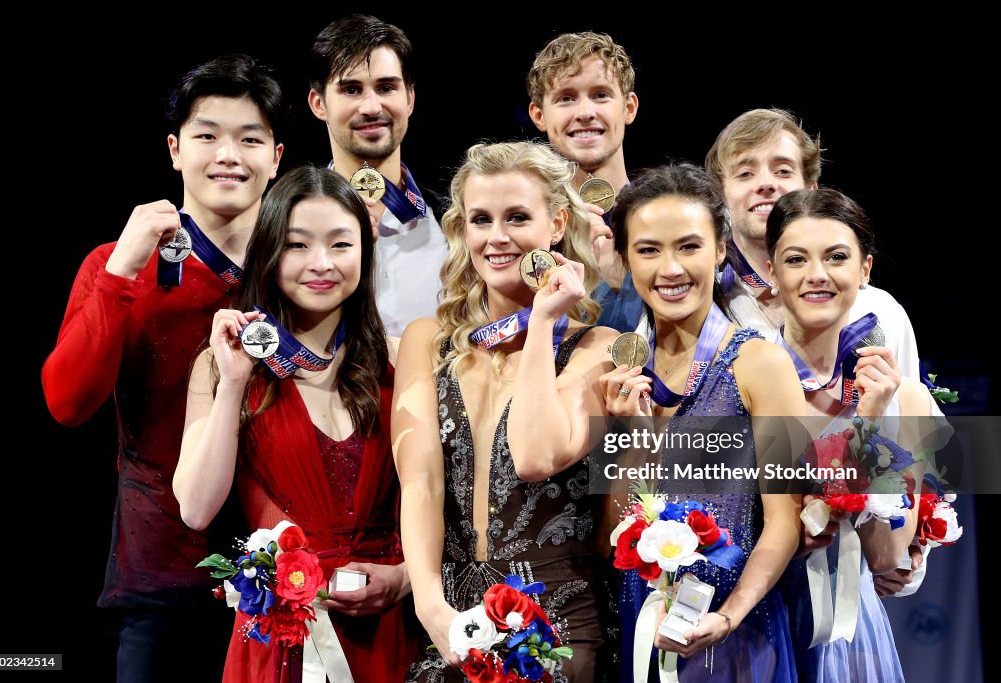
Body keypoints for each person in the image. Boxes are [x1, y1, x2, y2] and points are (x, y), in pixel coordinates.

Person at [42, 54, 285, 682]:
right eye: (208, 135)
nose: (228, 154)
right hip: (159, 574)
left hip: (288, 569)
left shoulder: (304, 271)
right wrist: (120, 273)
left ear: (277, 158)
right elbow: (68, 404)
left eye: (250, 139)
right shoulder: (116, 263)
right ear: (175, 150)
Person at [174, 165, 417, 682]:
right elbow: (195, 509)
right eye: (298, 245)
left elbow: (442, 500)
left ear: (365, 254)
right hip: (281, 637)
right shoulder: (220, 366)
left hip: (390, 630)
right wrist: (235, 382)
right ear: (267, 253)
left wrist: (405, 578)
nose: (322, 264)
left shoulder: (401, 362)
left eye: (341, 245)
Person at [394, 141, 617, 682]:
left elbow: (537, 456)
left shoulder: (598, 348)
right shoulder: (429, 341)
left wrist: (541, 324)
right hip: (450, 617)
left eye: (517, 217)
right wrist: (428, 603)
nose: (497, 237)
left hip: (557, 623)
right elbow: (420, 482)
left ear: (557, 224)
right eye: (480, 219)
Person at [600, 163, 805, 682]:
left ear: (720, 250)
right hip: (641, 625)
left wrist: (729, 616)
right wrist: (634, 438)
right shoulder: (617, 369)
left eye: (688, 247)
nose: (670, 269)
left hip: (737, 631)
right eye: (648, 250)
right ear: (624, 259)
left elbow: (786, 520)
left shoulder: (761, 363)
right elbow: (611, 531)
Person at [765, 188, 935, 682]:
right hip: (757, 619)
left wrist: (871, 421)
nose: (816, 275)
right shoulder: (742, 382)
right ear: (772, 274)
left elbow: (885, 555)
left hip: (850, 636)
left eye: (837, 257)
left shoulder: (909, 401)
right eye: (795, 259)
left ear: (864, 270)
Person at [704, 109, 921, 380]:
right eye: (745, 173)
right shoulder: (701, 307)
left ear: (811, 188)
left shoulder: (880, 312)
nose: (766, 184)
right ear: (721, 194)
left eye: (783, 171)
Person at [308, 14, 448, 336]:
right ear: (319, 104)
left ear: (409, 99)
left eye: (386, 87)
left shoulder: (456, 223)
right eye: (351, 89)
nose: (371, 107)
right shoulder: (286, 225)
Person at [527, 31, 643, 331]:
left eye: (601, 95)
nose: (585, 113)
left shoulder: (667, 219)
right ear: (539, 115)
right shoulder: (527, 232)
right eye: (566, 98)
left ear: (628, 107)